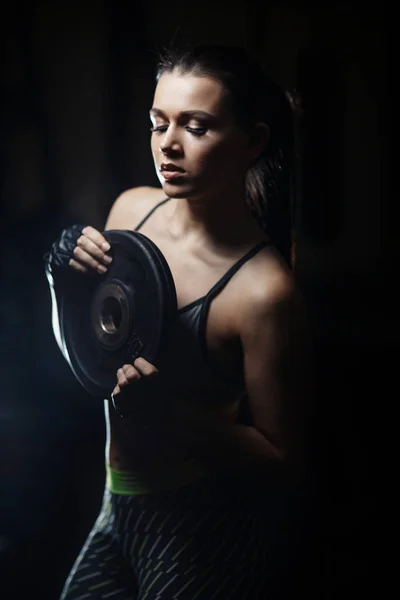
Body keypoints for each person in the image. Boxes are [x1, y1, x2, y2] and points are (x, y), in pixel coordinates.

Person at [46, 44, 310, 600]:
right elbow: (92, 364)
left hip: (197, 529)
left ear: (252, 143)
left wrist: (168, 416)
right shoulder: (130, 213)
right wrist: (61, 284)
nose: (168, 144)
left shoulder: (262, 291)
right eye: (157, 122)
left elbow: (284, 460)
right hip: (115, 502)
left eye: (196, 126)